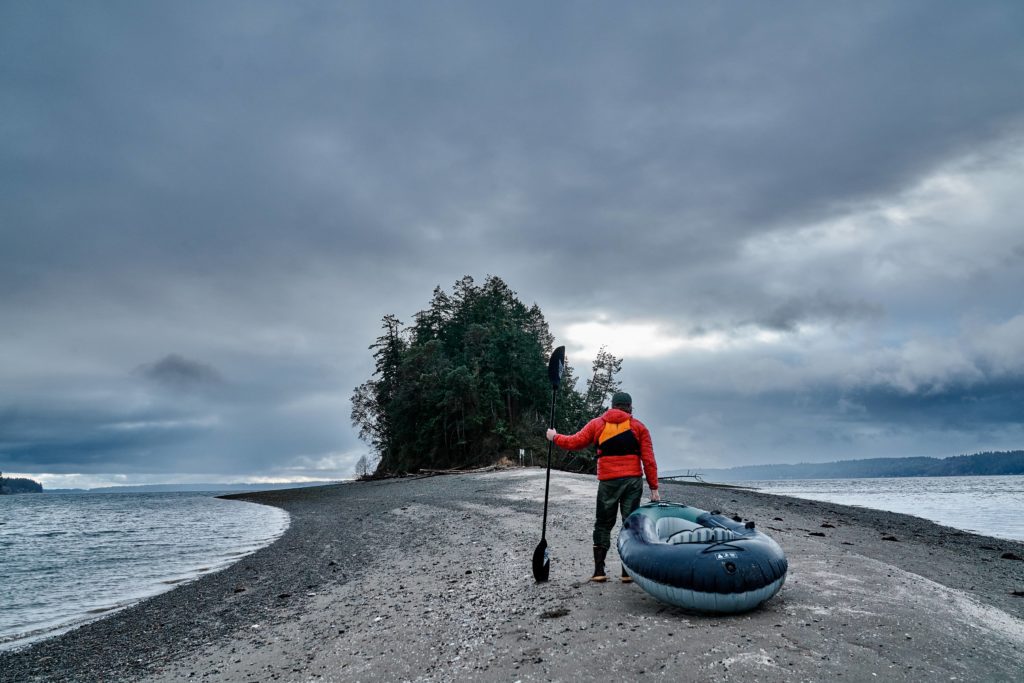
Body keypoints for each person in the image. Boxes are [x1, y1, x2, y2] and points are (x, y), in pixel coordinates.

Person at [546, 391, 659, 583]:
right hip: (632, 482)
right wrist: (654, 488)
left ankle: (599, 571)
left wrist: (554, 437)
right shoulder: (639, 427)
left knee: (603, 524)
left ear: (612, 405)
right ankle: (627, 572)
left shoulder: (597, 424)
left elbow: (575, 442)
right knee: (630, 524)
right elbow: (648, 460)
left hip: (608, 482)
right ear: (630, 407)